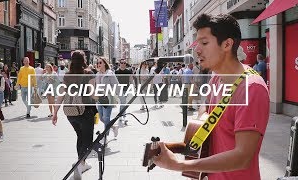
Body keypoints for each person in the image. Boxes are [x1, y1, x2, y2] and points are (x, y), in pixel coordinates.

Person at [154, 13, 269, 180]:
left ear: (227, 44)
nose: (197, 49)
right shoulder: (215, 79)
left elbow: (243, 157)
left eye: (205, 43)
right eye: (197, 43)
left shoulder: (252, 88)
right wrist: (202, 122)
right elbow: (206, 107)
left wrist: (179, 165)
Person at [52, 51, 97, 180]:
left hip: (70, 112)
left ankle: (82, 163)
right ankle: (79, 164)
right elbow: (93, 94)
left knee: (80, 136)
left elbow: (60, 95)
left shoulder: (67, 75)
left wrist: (55, 112)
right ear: (83, 59)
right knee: (87, 140)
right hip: (85, 111)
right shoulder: (88, 74)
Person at [96, 57, 119, 138]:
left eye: (100, 63)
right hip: (99, 98)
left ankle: (105, 136)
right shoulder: (97, 74)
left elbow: (116, 85)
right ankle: (114, 127)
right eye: (98, 63)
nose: (98, 64)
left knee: (106, 117)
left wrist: (114, 96)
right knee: (101, 118)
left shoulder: (110, 73)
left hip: (108, 98)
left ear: (105, 63)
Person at [115, 59, 132, 125]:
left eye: (124, 63)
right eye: (122, 63)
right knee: (123, 102)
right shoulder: (116, 71)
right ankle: (123, 116)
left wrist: (132, 87)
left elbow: (131, 80)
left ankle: (120, 116)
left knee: (123, 102)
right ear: (119, 64)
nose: (123, 64)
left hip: (126, 89)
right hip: (119, 89)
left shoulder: (128, 71)